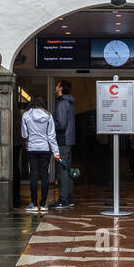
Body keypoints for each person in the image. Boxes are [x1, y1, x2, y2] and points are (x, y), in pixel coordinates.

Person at [20, 96, 60, 214]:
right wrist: (56, 153)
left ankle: (33, 204)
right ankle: (43, 204)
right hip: (45, 149)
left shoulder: (26, 115)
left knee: (33, 174)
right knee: (44, 175)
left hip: (32, 148)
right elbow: (51, 136)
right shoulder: (48, 116)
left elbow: (24, 134)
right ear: (43, 104)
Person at [48, 80, 77, 209]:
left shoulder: (61, 103)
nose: (55, 87)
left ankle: (63, 200)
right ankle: (69, 198)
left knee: (62, 171)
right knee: (67, 169)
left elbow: (61, 124)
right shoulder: (69, 103)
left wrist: (50, 122)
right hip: (68, 140)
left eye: (57, 85)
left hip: (62, 141)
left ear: (60, 88)